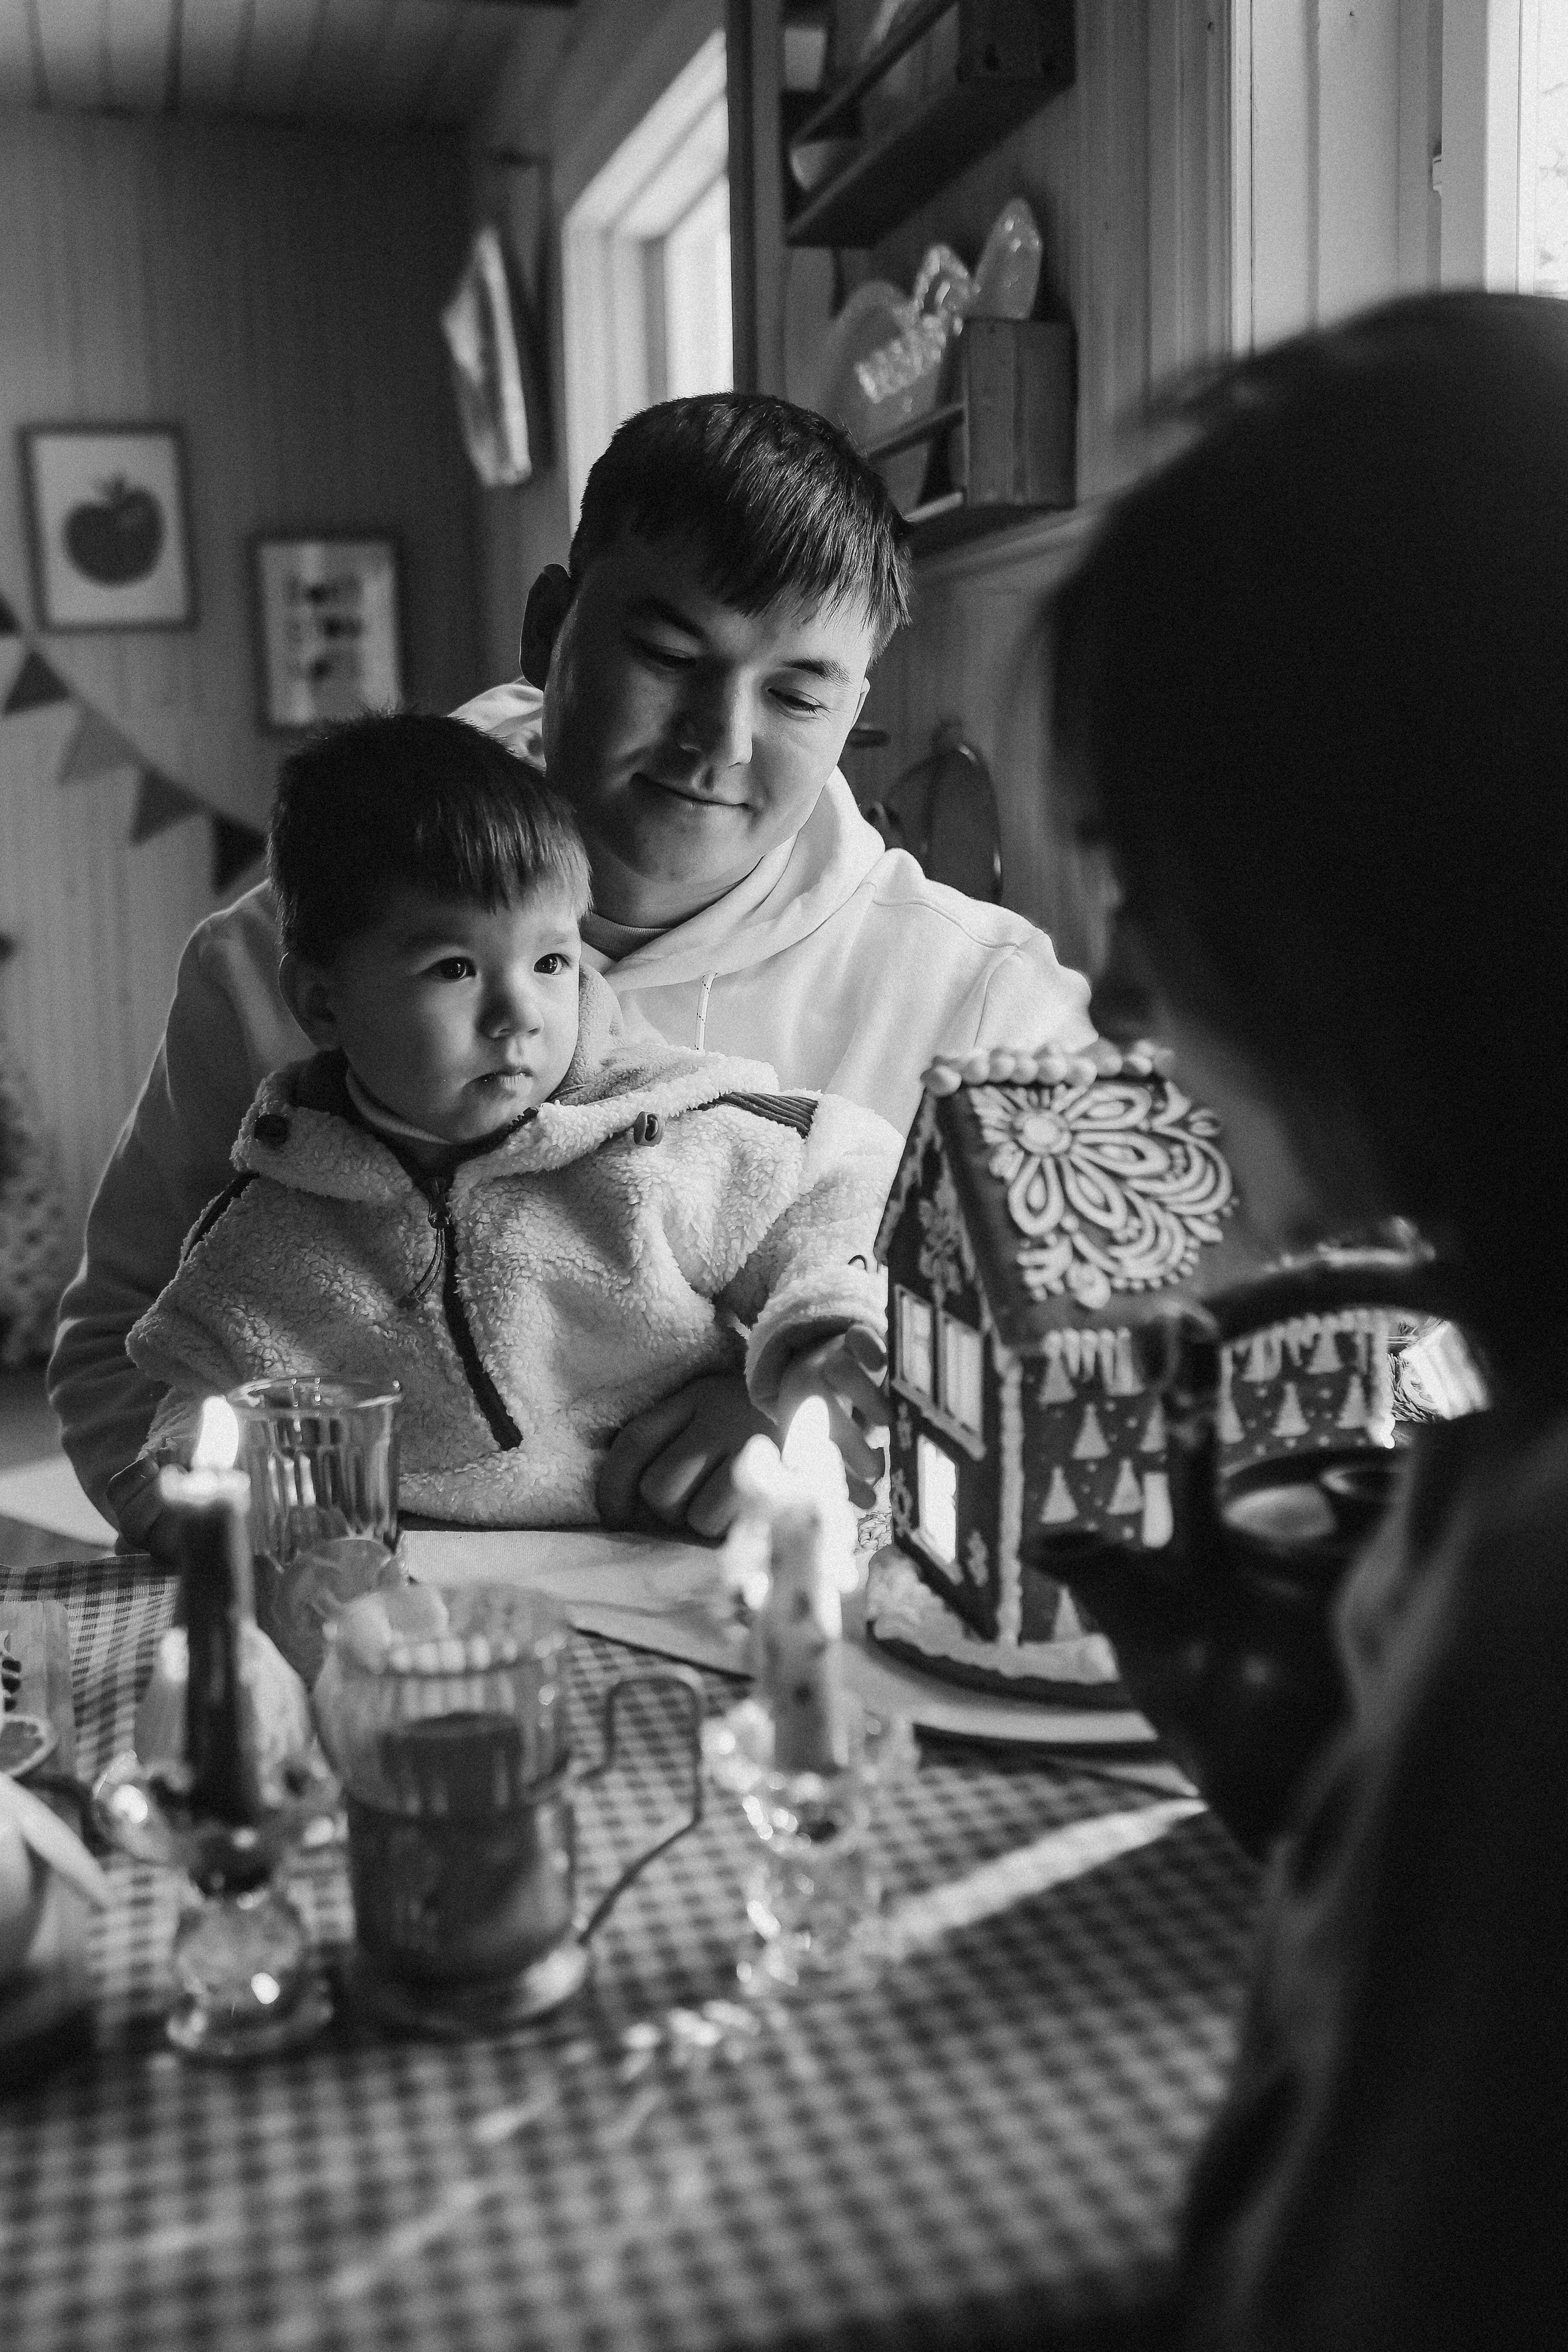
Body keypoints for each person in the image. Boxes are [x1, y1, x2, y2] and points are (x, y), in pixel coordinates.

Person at [50, 393, 1093, 1539]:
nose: (721, 740)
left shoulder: (980, 997)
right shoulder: (278, 962)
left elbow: (1097, 1374)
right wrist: (285, 1518)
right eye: (666, 654)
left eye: (797, 693)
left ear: (856, 708)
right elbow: (122, 1352)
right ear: (550, 626)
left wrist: (829, 1442)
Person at [1042, 292, 1568, 2345]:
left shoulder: (1542, 1590)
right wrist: (1335, 1776)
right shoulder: (1487, 1448)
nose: (1111, 993)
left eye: (1154, 877)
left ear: (1390, 904)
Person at [124, 712, 897, 1547]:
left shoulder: (658, 1137)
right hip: (415, 1605)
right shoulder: (271, 1229)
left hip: (672, 1566)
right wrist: (189, 1492)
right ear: (321, 1003)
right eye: (455, 968)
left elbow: (850, 1184)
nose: (517, 1015)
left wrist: (814, 1343)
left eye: (551, 962)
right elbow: (199, 1399)